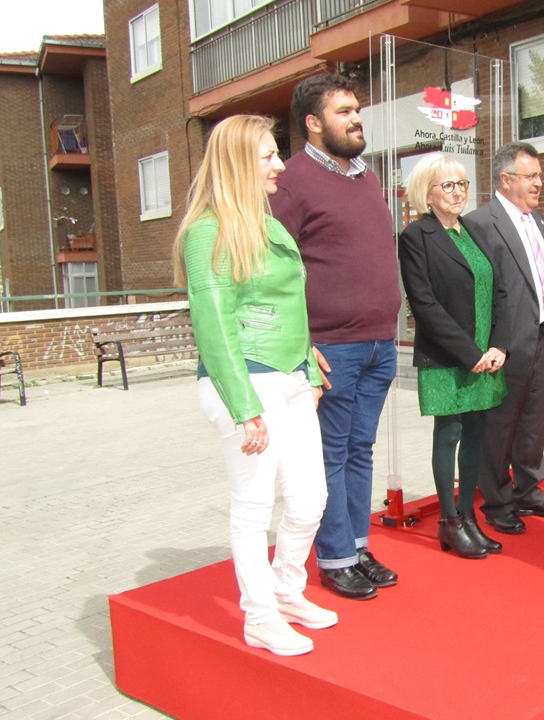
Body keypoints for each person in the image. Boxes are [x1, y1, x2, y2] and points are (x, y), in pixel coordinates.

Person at [172, 114, 337, 656]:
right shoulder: (206, 232)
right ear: (238, 162)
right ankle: (259, 616)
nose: (279, 165)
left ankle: (287, 591)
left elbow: (293, 306)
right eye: (267, 155)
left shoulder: (268, 223)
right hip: (243, 383)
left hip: (290, 377)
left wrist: (309, 370)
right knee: (252, 503)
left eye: (277, 153)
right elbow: (213, 325)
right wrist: (245, 408)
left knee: (310, 498)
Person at [271, 74, 402, 601]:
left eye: (357, 110)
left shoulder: (365, 177)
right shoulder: (293, 180)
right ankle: (334, 556)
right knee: (332, 453)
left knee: (360, 449)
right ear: (313, 122)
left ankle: (358, 545)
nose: (356, 119)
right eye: (344, 111)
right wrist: (303, 346)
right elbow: (274, 271)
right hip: (332, 350)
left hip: (379, 344)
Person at [397, 153, 509, 558]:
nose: (458, 191)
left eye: (462, 183)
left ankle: (468, 517)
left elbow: (499, 291)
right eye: (448, 185)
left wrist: (499, 345)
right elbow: (424, 305)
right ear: (427, 192)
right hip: (449, 356)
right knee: (451, 433)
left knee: (478, 434)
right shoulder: (416, 237)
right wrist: (469, 353)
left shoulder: (473, 230)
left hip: (487, 355)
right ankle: (448, 521)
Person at [465, 142, 544, 535]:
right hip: (505, 343)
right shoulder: (481, 222)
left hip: (542, 334)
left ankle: (528, 488)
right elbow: (481, 291)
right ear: (505, 180)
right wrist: (493, 343)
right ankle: (497, 499)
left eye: (540, 176)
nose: (539, 183)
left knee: (534, 419)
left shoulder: (538, 220)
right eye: (532, 176)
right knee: (500, 423)